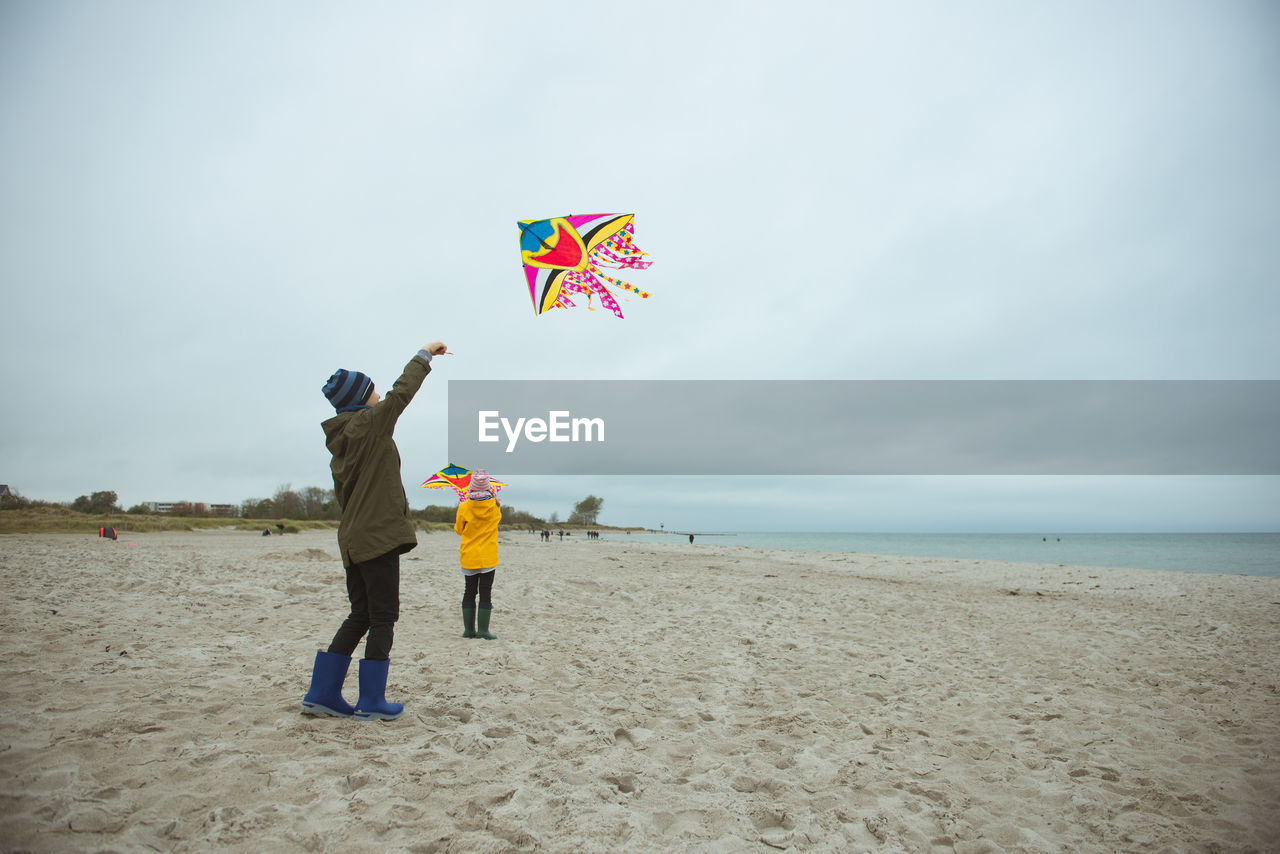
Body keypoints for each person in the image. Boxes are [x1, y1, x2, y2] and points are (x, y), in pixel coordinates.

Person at [301, 342, 446, 721]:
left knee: (360, 614)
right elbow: (401, 394)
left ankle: (322, 693)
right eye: (372, 391)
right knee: (383, 616)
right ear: (361, 400)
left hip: (353, 539)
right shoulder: (368, 425)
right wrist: (424, 355)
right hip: (376, 537)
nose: (379, 395)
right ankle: (371, 702)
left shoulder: (342, 439)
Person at [454, 470, 501, 640]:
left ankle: (468, 630)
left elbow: (459, 529)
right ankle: (483, 630)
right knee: (485, 592)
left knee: (469, 591)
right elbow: (496, 521)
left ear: (471, 488)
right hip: (488, 555)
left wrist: (465, 505)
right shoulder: (494, 506)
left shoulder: (464, 506)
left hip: (469, 555)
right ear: (488, 488)